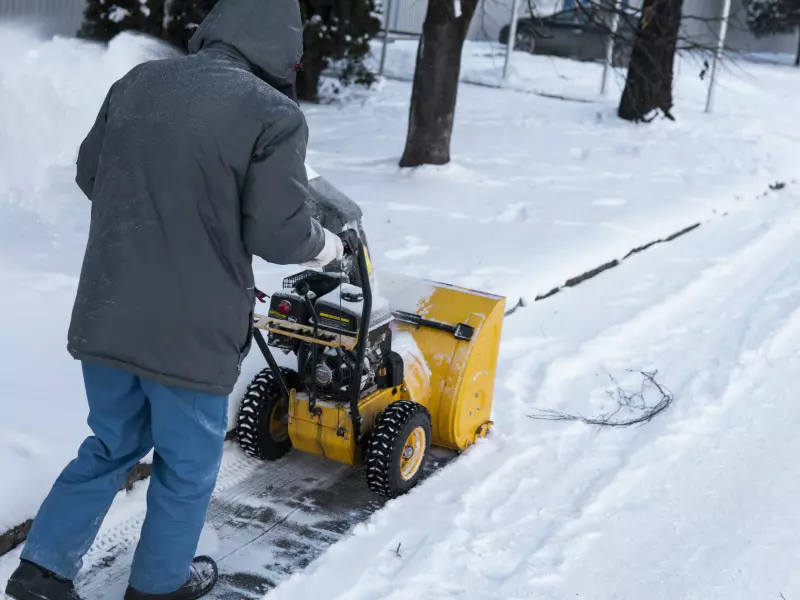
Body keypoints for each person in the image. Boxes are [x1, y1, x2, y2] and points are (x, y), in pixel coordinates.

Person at [4, 0, 343, 599]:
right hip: (191, 329)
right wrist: (324, 246)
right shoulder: (272, 112)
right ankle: (158, 587)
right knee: (186, 466)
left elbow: (90, 174)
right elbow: (278, 233)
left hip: (108, 310)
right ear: (283, 49)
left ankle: (41, 573)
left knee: (110, 445)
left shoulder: (139, 81)